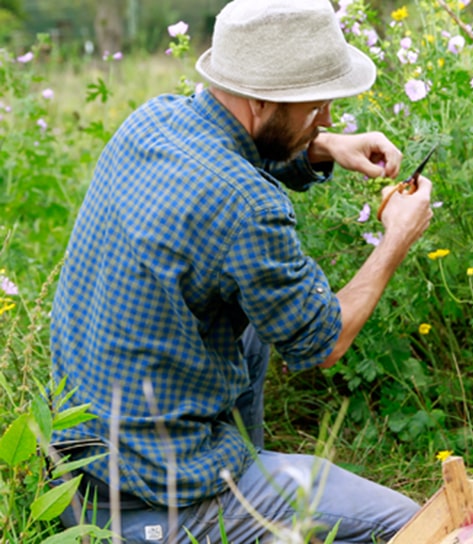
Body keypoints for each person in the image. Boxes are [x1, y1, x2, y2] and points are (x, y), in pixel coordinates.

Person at [50, 0, 433, 542]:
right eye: (315, 107)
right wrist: (396, 239)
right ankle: (233, 508)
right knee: (410, 524)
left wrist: (322, 147)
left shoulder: (152, 120)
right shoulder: (247, 205)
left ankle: (246, 471)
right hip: (157, 498)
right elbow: (324, 341)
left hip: (80, 465)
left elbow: (238, 148)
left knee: (250, 315)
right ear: (261, 99)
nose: (325, 117)